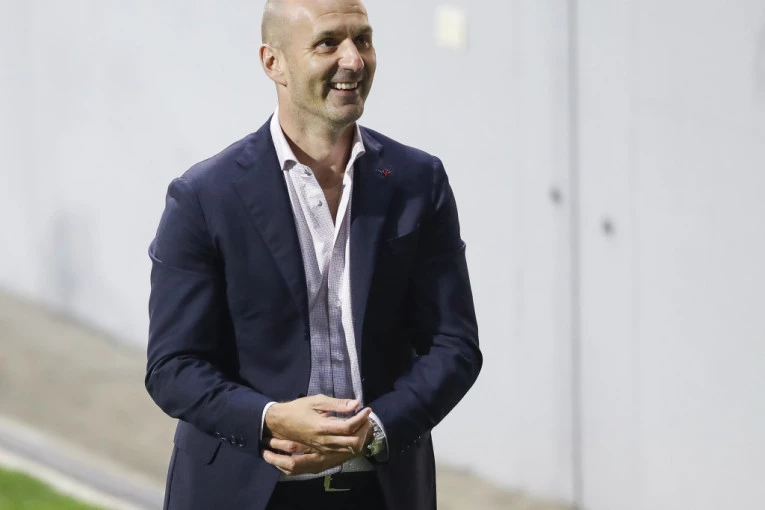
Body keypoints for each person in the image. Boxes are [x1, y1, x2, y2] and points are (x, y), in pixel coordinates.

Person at [145, 0, 482, 508]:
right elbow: (172, 366)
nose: (354, 60)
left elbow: (454, 345)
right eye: (328, 43)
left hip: (382, 490)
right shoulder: (204, 197)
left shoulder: (419, 182)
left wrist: (373, 430)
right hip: (244, 493)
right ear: (273, 62)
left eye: (363, 39)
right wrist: (269, 419)